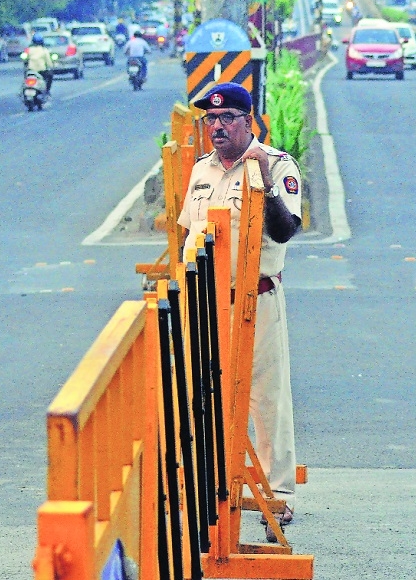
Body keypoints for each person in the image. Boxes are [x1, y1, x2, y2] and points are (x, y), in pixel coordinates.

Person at [176, 82, 301, 543]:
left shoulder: (277, 164)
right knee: (203, 394)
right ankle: (210, 487)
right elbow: (189, 233)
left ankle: (278, 495)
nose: (217, 126)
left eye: (227, 118)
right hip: (207, 300)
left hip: (257, 299)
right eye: (211, 119)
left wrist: (264, 179)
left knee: (266, 398)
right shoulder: (201, 171)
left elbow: (285, 231)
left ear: (249, 121)